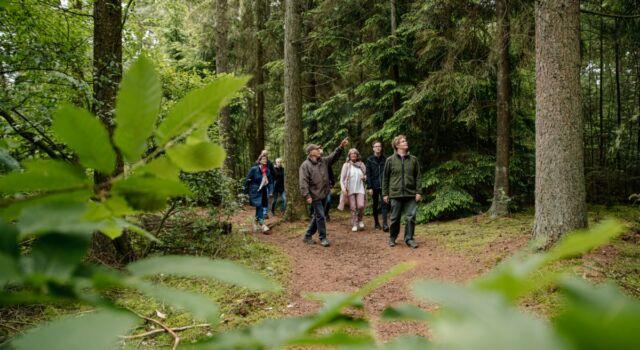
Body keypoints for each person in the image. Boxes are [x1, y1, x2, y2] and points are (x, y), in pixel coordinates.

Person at [299, 137, 349, 247]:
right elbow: (303, 182)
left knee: (317, 216)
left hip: (325, 194)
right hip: (314, 195)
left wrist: (340, 147)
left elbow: (333, 157)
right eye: (317, 149)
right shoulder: (305, 165)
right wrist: (307, 195)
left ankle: (307, 235)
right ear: (311, 152)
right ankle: (323, 238)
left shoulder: (323, 161)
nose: (319, 150)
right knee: (321, 216)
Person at [382, 135, 422, 249]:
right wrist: (385, 193)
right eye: (403, 141)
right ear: (397, 145)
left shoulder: (413, 159)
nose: (406, 142)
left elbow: (418, 176)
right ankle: (392, 238)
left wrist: (419, 192)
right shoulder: (390, 160)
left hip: (410, 193)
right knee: (395, 218)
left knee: (411, 216)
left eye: (405, 140)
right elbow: (385, 178)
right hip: (395, 194)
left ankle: (409, 239)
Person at [338, 148, 367, 232]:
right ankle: (354, 223)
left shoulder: (361, 164)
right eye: (351, 154)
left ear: (357, 155)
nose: (353, 155)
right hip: (350, 189)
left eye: (355, 153)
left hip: (360, 188)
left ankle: (360, 219)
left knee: (361, 205)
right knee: (353, 207)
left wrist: (364, 178)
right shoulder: (346, 165)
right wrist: (343, 189)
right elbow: (342, 179)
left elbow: (366, 175)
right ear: (349, 155)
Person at [244, 154, 271, 233]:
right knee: (259, 206)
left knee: (260, 206)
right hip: (254, 190)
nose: (265, 160)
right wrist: (245, 191)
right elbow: (247, 180)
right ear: (259, 161)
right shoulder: (254, 169)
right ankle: (262, 224)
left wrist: (270, 190)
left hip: (263, 191)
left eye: (266, 159)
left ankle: (255, 223)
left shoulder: (267, 171)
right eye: (263, 159)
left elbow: (270, 181)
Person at [366, 141, 389, 231]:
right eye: (376, 146)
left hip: (384, 186)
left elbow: (388, 173)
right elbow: (368, 174)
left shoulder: (386, 159)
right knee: (375, 205)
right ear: (373, 148)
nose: (378, 148)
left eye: (379, 146)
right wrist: (369, 187)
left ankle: (385, 224)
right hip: (374, 186)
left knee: (385, 204)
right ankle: (376, 223)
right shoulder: (370, 160)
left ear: (381, 147)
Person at [259, 150, 276, 219]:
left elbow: (273, 172)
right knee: (262, 198)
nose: (265, 155)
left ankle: (265, 213)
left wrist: (271, 179)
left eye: (266, 154)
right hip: (260, 183)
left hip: (268, 182)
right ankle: (262, 212)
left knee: (266, 197)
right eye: (264, 154)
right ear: (261, 154)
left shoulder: (270, 163)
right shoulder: (257, 163)